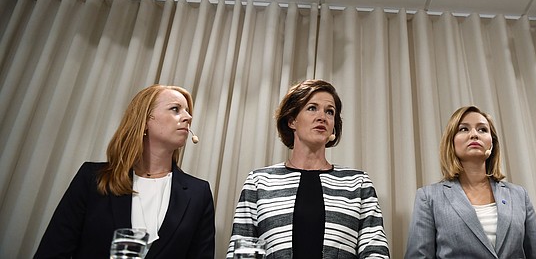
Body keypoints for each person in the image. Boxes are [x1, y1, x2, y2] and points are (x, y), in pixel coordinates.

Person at [34, 84, 215, 258]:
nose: (188, 117)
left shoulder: (199, 193)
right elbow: (53, 250)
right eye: (175, 109)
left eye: (188, 111)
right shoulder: (93, 178)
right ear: (144, 121)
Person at [227, 78, 390, 258]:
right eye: (312, 108)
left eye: (330, 112)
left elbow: (375, 251)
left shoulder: (358, 183)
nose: (322, 116)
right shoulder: (259, 182)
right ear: (292, 121)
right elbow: (244, 252)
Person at [405, 105, 536, 259]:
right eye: (463, 129)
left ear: (492, 143)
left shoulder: (519, 195)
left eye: (482, 130)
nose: (474, 134)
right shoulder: (428, 197)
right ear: (451, 142)